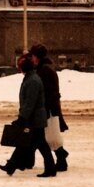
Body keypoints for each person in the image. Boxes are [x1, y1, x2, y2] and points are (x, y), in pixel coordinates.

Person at [0, 52, 56, 178]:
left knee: (38, 144)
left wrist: (22, 117)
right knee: (27, 143)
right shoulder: (31, 78)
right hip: (34, 117)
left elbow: (30, 102)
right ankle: (12, 166)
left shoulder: (32, 80)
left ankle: (49, 169)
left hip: (35, 118)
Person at [30, 44, 70, 172]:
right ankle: (60, 157)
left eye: (33, 55)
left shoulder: (45, 70)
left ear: (37, 57)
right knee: (49, 136)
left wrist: (45, 109)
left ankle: (61, 158)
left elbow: (47, 92)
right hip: (49, 108)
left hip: (49, 109)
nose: (32, 58)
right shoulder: (45, 68)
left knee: (49, 136)